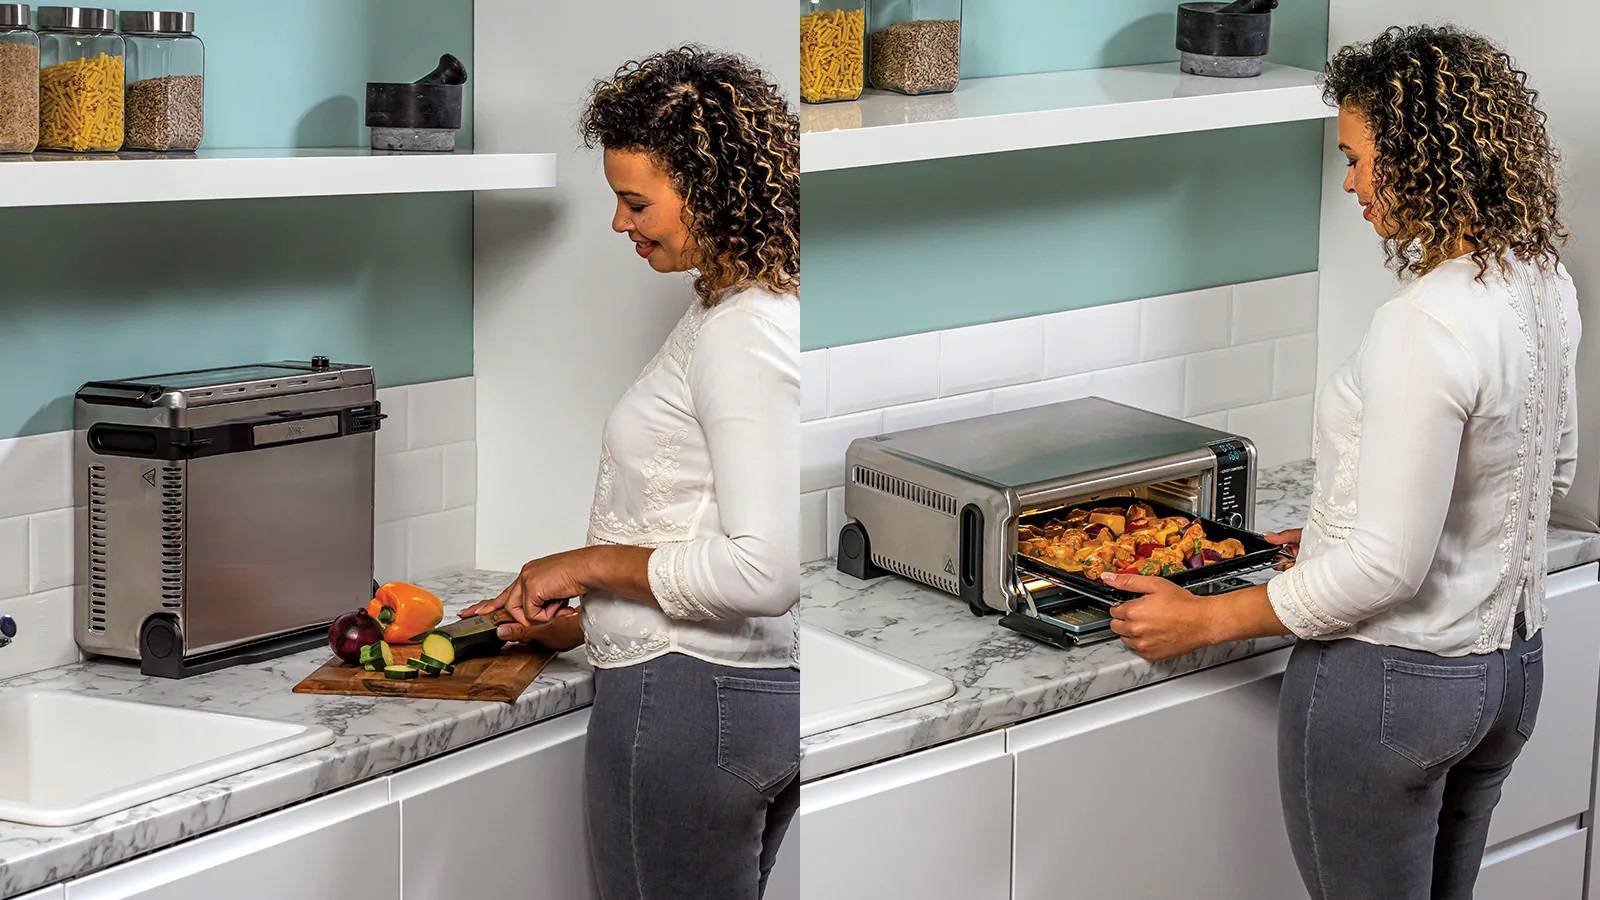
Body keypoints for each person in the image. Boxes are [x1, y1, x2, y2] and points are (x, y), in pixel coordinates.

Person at [1099, 25, 1579, 900]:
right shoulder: (1542, 281)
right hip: (1508, 676)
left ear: (1417, 156)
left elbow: (1388, 568)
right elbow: (1542, 480)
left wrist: (1209, 620)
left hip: (1391, 686)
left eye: (1357, 158)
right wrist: (1328, 533)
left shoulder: (1424, 322)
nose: (1351, 183)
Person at [459, 46, 800, 900]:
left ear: (711, 189)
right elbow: (699, 525)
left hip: (686, 707)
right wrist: (585, 621)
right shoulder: (742, 308)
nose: (620, 223)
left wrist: (579, 568)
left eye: (635, 200)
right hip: (734, 699)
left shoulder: (741, 332)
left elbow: (764, 571)